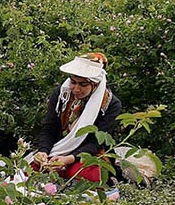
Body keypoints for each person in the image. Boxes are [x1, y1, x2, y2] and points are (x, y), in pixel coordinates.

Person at [31, 52, 120, 184]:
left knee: (86, 175)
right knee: (31, 169)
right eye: (73, 82)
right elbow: (49, 128)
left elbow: (95, 143)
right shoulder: (62, 95)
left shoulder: (110, 104)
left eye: (83, 85)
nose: (76, 89)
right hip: (59, 149)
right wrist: (43, 151)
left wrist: (70, 159)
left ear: (95, 84)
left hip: (88, 155)